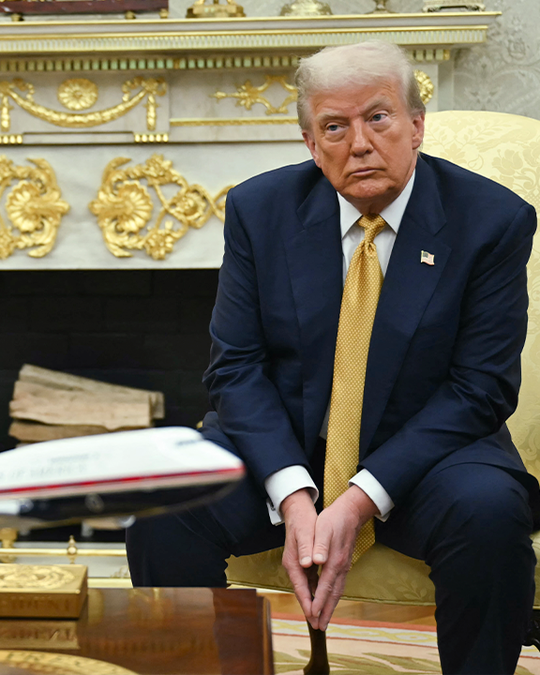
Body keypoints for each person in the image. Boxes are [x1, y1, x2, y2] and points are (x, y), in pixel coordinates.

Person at [126, 40, 539, 674]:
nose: (360, 143)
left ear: (416, 124)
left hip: (430, 453)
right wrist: (294, 493)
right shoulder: (260, 210)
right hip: (287, 445)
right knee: (163, 504)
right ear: (310, 143)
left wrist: (356, 499)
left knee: (490, 517)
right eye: (334, 127)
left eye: (378, 117)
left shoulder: (492, 221)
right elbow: (235, 367)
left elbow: (479, 388)